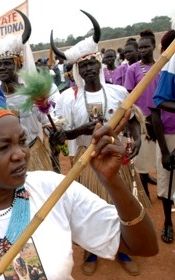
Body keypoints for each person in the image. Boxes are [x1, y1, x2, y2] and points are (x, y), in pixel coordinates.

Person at [0, 75, 158, 279]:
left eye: (22, 141)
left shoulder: (54, 189)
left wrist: (112, 182)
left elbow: (144, 246)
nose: (20, 154)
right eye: (3, 147)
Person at [51, 10, 149, 276]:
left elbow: (131, 119)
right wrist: (82, 130)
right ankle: (91, 250)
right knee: (89, 204)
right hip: (86, 161)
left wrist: (137, 138)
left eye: (92, 63)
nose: (89, 68)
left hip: (115, 157)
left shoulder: (117, 92)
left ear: (99, 64)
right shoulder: (67, 99)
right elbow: (67, 134)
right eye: (83, 66)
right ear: (77, 71)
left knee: (121, 201)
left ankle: (124, 249)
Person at [0, 9, 56, 172]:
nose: (2, 68)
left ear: (18, 64)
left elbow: (49, 122)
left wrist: (55, 132)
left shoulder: (34, 93)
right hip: (5, 162)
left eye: (7, 63)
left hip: (34, 156)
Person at [124, 29, 160, 199]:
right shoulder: (132, 70)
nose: (143, 50)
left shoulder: (161, 66)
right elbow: (129, 96)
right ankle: (144, 192)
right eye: (140, 48)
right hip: (142, 119)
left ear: (153, 46)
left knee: (160, 156)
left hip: (162, 119)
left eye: (146, 47)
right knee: (142, 159)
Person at [151, 28, 175, 244]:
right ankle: (167, 221)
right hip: (170, 135)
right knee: (167, 183)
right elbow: (156, 109)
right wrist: (165, 151)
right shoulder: (167, 69)